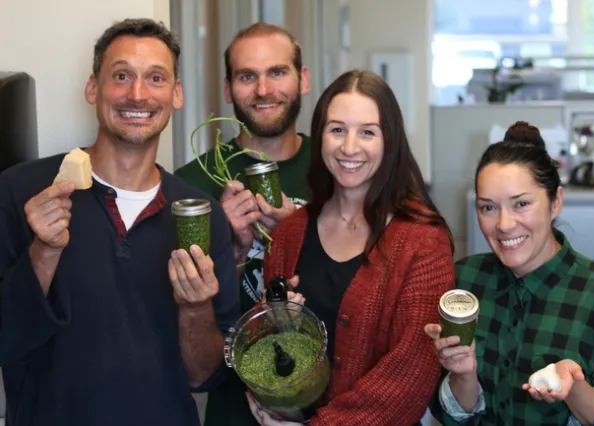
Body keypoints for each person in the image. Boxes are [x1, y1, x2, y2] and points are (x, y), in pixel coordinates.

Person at [0, 18, 240, 426]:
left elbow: (204, 376)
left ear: (176, 95)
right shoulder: (22, 190)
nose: (138, 94)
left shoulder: (201, 214)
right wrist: (44, 251)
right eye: (122, 75)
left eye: (156, 78)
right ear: (93, 88)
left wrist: (195, 307)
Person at [246, 69, 455, 426]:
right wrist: (278, 326)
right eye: (337, 129)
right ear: (320, 136)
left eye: (368, 132)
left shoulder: (423, 241)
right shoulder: (289, 234)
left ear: (390, 141)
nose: (349, 147)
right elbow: (273, 349)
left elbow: (413, 371)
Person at [426, 121, 594, 425]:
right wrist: (464, 375)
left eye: (521, 204)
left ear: (556, 202)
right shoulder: (463, 284)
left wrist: (575, 389)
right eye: (488, 208)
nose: (504, 224)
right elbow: (449, 416)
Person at [174, 22, 312, 426]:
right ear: (228, 88)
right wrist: (227, 247)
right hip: (233, 409)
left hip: (331, 402)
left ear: (302, 79)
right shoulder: (190, 186)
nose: (264, 90)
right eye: (247, 76)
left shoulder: (339, 169)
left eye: (277, 72)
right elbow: (182, 333)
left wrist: (298, 232)